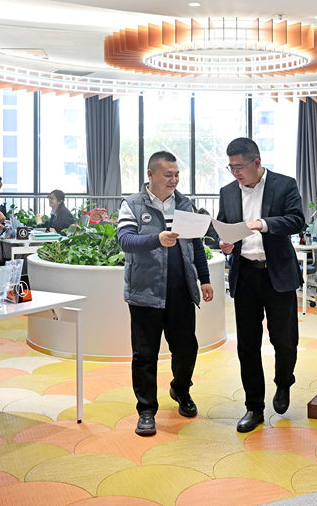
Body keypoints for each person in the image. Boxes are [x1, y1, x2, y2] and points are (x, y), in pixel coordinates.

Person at [117, 151, 213, 437]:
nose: (174, 180)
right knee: (144, 354)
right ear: (151, 175)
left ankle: (181, 389)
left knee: (186, 349)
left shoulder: (185, 204)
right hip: (145, 292)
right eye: (168, 174)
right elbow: (125, 240)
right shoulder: (132, 204)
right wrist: (156, 239)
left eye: (176, 174)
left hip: (181, 291)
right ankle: (146, 410)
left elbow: (196, 245)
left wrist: (205, 280)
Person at [217, 137, 305, 433]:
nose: (236, 173)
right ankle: (253, 407)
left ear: (256, 162)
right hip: (245, 275)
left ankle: (284, 382)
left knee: (284, 340)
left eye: (240, 167)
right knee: (247, 345)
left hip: (277, 273)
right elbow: (223, 227)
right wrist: (224, 244)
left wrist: (263, 224)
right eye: (231, 168)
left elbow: (297, 221)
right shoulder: (228, 192)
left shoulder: (284, 184)